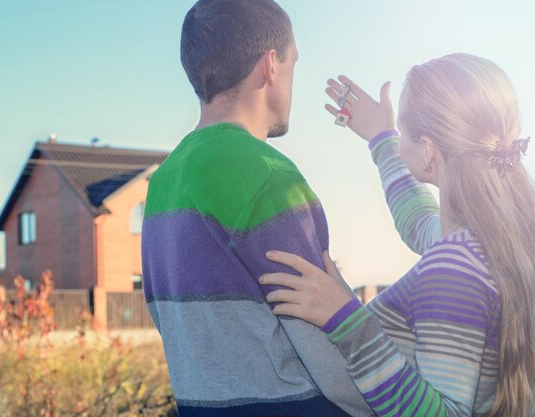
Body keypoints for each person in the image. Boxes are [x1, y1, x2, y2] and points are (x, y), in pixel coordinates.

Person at [260, 53, 535, 417]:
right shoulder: (487, 243)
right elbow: (417, 220)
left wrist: (347, 319)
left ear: (429, 150)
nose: (398, 140)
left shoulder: (453, 267)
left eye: (402, 130)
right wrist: (381, 136)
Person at [141, 1, 374, 416]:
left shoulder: (163, 181)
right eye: (292, 64)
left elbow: (168, 322)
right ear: (270, 65)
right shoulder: (266, 174)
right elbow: (323, 343)